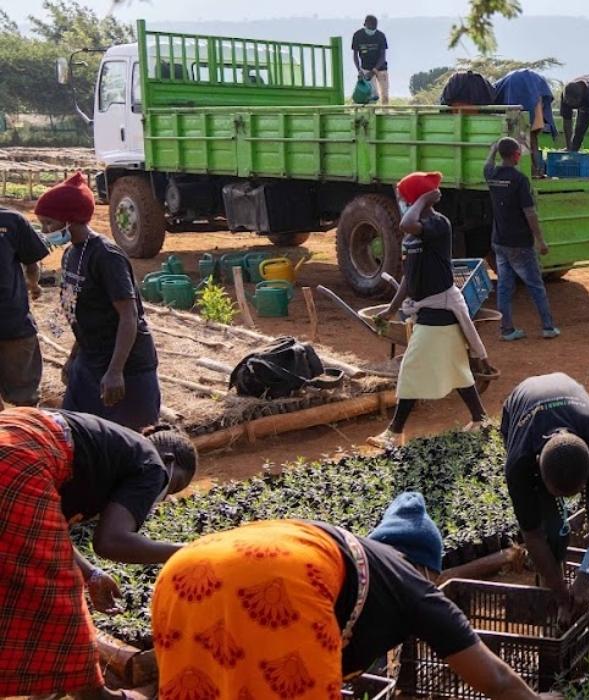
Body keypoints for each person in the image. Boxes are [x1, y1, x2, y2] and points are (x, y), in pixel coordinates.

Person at [150, 493, 549, 700]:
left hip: (182, 571)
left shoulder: (361, 566)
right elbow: (497, 680)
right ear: (427, 566)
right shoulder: (415, 588)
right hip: (278, 579)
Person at [0, 408, 195, 699]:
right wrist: (192, 551)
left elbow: (51, 533)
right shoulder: (152, 465)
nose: (162, 495)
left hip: (12, 439)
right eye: (172, 485)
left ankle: (47, 688)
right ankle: (93, 694)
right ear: (168, 463)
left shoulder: (110, 452)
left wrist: (92, 574)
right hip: (20, 459)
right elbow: (110, 542)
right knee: (59, 596)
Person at [502, 373, 589, 646]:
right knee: (552, 531)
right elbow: (533, 535)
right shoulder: (520, 463)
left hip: (576, 406)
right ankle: (555, 613)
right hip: (521, 411)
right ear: (539, 475)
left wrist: (587, 571)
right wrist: (561, 592)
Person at [369, 173, 491, 449]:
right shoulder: (412, 236)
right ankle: (480, 418)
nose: (400, 200)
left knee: (411, 367)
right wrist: (391, 310)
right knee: (457, 368)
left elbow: (405, 222)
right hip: (430, 309)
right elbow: (408, 277)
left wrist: (423, 197)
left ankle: (394, 433)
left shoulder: (437, 224)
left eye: (403, 196)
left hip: (440, 310)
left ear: (414, 198)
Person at [40, 173, 162, 429]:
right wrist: (73, 359)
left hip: (126, 366)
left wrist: (116, 371)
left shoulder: (106, 256)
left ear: (69, 219)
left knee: (130, 441)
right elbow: (83, 316)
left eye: (49, 223)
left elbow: (129, 316)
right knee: (79, 433)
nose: (45, 231)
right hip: (91, 361)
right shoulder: (71, 255)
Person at [485, 139, 560, 341]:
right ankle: (547, 327)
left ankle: (507, 329)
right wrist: (540, 240)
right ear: (516, 154)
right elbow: (529, 213)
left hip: (499, 241)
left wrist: (493, 150)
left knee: (504, 286)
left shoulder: (491, 176)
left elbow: (487, 165)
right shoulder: (519, 179)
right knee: (535, 285)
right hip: (520, 242)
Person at [0, 202, 48, 407]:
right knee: (25, 399)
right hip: (14, 324)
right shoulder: (12, 220)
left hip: (13, 325)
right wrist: (34, 284)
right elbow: (32, 264)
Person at [493, 69, 556, 176]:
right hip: (537, 97)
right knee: (532, 139)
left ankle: (528, 171)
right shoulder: (510, 81)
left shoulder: (498, 87)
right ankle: (537, 170)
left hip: (522, 102)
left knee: (522, 140)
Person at [351, 15, 389, 105]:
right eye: (370, 27)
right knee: (372, 96)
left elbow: (383, 57)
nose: (372, 30)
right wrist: (359, 70)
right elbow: (355, 55)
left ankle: (385, 113)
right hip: (366, 68)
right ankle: (371, 114)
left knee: (385, 95)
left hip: (381, 68)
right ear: (365, 24)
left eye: (374, 28)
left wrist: (374, 70)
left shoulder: (381, 36)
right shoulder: (357, 36)